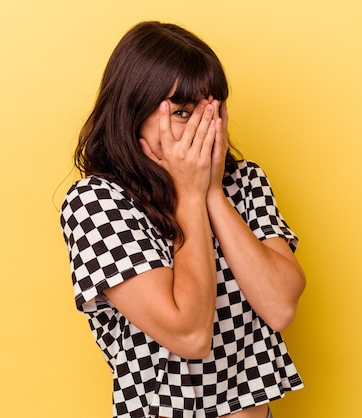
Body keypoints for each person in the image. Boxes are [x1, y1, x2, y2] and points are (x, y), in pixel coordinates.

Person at [60, 21, 306, 418]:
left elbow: (280, 307)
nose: (200, 130)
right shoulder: (97, 203)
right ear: (133, 111)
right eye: (180, 112)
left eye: (211, 113)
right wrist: (189, 195)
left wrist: (211, 193)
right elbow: (189, 334)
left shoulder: (244, 181)